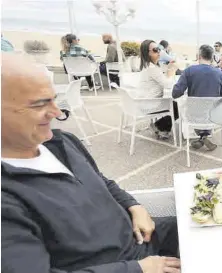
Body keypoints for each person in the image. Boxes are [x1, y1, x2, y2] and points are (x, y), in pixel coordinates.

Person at [1, 54, 181, 273]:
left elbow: (102, 182)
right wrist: (138, 269)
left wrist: (135, 206)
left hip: (142, 237)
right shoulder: (7, 197)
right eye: (39, 104)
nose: (57, 113)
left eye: (53, 99)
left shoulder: (62, 142)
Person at [172, 44, 222, 151]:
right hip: (213, 117)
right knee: (208, 108)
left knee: (184, 106)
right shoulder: (219, 73)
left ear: (199, 56)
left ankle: (202, 137)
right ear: (212, 58)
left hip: (193, 116)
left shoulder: (189, 71)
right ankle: (204, 136)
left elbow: (175, 93)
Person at [137, 40, 178, 139]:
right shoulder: (152, 68)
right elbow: (168, 84)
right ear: (148, 53)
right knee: (178, 106)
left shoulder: (149, 65)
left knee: (174, 103)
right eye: (155, 50)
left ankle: (159, 125)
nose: (159, 52)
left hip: (143, 101)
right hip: (150, 103)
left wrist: (168, 71)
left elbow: (160, 79)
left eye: (159, 49)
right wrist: (171, 73)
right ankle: (160, 127)